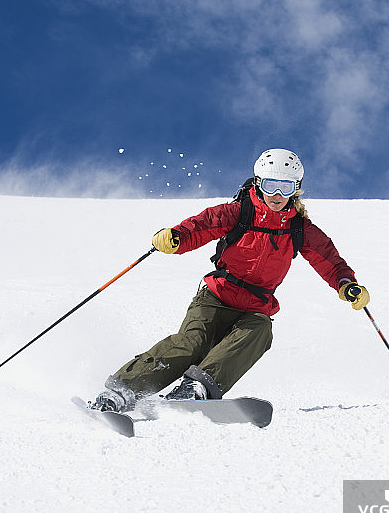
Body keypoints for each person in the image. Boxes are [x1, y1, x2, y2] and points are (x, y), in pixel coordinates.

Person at [91, 148, 370, 412]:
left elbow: (329, 260)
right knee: (192, 344)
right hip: (216, 297)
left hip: (256, 306)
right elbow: (202, 225)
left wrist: (346, 284)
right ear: (259, 183)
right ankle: (121, 392)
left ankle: (196, 388)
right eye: (271, 184)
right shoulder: (240, 212)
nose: (276, 194)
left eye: (285, 187)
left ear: (296, 189)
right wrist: (176, 237)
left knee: (260, 331)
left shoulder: (300, 228)